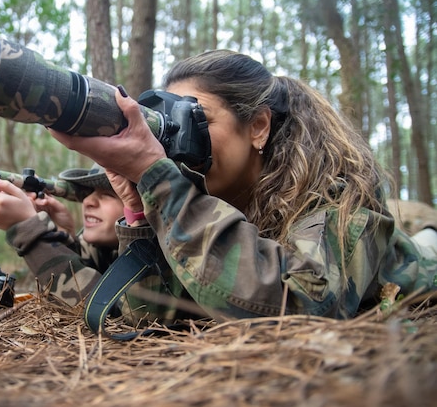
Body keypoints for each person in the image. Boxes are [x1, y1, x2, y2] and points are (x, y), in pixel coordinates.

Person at [48, 49, 437, 320]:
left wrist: (161, 182)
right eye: (174, 126)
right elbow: (156, 312)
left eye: (198, 120)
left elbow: (304, 306)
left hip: (423, 266)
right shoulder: (206, 200)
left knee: (427, 235)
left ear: (258, 126)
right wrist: (138, 209)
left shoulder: (334, 199)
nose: (183, 143)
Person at [0, 163, 126, 306]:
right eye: (89, 193)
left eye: (108, 194)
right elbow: (87, 279)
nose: (87, 201)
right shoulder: (104, 248)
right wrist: (63, 238)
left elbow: (107, 307)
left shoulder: (149, 254)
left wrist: (28, 229)